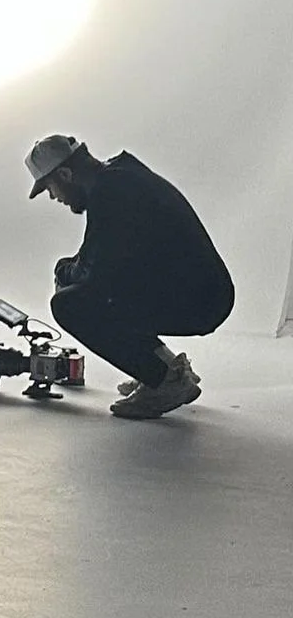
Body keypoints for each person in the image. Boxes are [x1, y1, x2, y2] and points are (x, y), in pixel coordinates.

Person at [25, 134, 234, 419]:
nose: (53, 197)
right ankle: (165, 368)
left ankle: (166, 382)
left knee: (68, 305)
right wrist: (70, 270)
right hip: (200, 291)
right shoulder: (120, 176)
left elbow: (97, 275)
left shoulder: (111, 193)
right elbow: (101, 257)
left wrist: (66, 274)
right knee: (80, 282)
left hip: (200, 301)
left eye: (50, 188)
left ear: (65, 174)